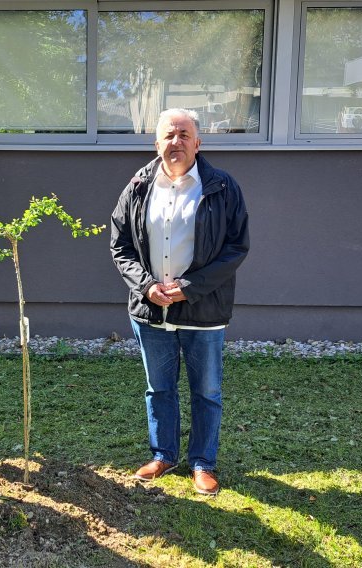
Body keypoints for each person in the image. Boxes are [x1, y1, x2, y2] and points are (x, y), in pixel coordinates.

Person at [110, 108, 249, 496]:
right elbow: (120, 246)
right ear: (157, 144)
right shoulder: (138, 186)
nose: (177, 142)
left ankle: (202, 463)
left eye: (184, 134)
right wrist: (145, 287)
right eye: (169, 135)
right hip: (151, 311)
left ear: (198, 142)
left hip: (203, 311)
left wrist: (191, 287)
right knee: (159, 389)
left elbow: (236, 247)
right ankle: (164, 454)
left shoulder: (222, 187)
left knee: (206, 391)